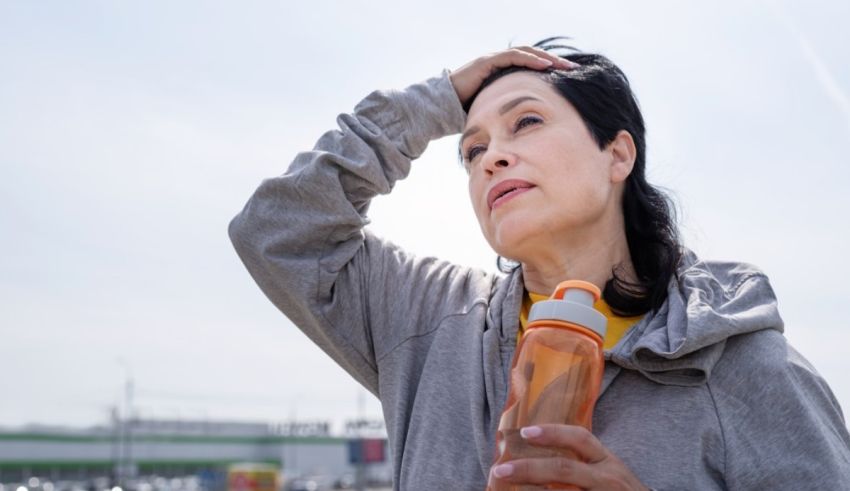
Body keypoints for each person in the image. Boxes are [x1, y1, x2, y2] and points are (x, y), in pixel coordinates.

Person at [229, 38, 850, 489]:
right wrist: (437, 102)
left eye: (526, 122)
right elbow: (275, 230)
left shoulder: (743, 365)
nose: (492, 158)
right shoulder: (423, 319)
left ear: (618, 154)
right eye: (472, 151)